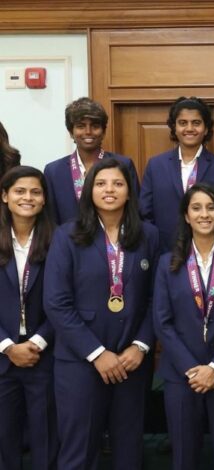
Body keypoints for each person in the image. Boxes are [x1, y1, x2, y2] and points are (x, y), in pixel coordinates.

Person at [44, 158, 159, 470]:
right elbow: (56, 302)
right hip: (80, 362)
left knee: (129, 448)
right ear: (88, 191)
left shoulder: (148, 235)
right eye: (101, 183)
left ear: (129, 191)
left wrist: (141, 346)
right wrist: (96, 353)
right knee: (79, 449)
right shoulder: (67, 236)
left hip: (131, 361)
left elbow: (156, 299)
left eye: (118, 184)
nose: (110, 190)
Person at [153, 183, 214, 469]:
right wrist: (193, 369)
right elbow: (162, 321)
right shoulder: (167, 264)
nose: (204, 214)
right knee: (183, 455)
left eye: (211, 207)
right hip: (182, 375)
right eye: (196, 208)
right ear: (186, 215)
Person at [0, 166, 57, 469]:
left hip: (43, 354)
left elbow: (64, 302)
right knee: (4, 436)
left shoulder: (59, 241)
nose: (28, 197)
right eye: (20, 191)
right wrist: (8, 346)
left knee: (44, 435)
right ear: (5, 196)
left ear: (45, 199)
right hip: (2, 355)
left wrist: (36, 342)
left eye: (35, 191)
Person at [140, 97, 214, 252]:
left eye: (196, 123)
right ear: (174, 128)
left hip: (208, 253)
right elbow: (145, 213)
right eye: (183, 123)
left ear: (205, 129)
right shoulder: (156, 165)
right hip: (163, 252)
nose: (189, 128)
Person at [43, 97, 140, 225]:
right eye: (81, 126)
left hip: (115, 241)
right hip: (69, 242)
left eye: (95, 126)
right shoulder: (54, 171)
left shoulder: (123, 164)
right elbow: (51, 219)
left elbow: (134, 211)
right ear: (71, 132)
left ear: (103, 132)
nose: (88, 132)